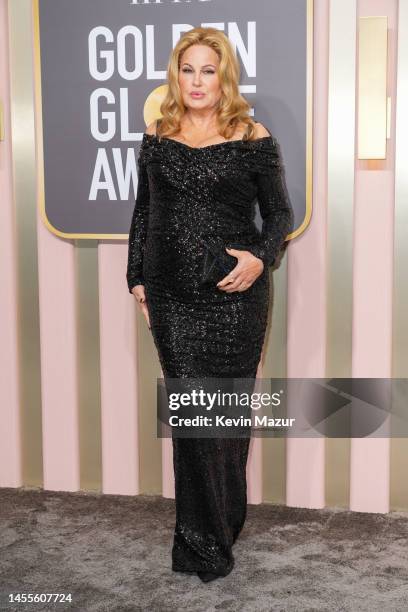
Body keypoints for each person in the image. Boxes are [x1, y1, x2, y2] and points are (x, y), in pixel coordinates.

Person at [126, 27, 294, 583]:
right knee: (193, 416)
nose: (197, 81)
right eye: (188, 69)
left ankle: (224, 521)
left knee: (224, 419)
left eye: (208, 70)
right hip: (171, 294)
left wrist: (259, 259)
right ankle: (202, 544)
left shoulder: (251, 134)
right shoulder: (157, 134)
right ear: (176, 76)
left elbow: (278, 217)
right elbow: (143, 215)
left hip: (234, 292)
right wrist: (136, 279)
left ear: (224, 77)